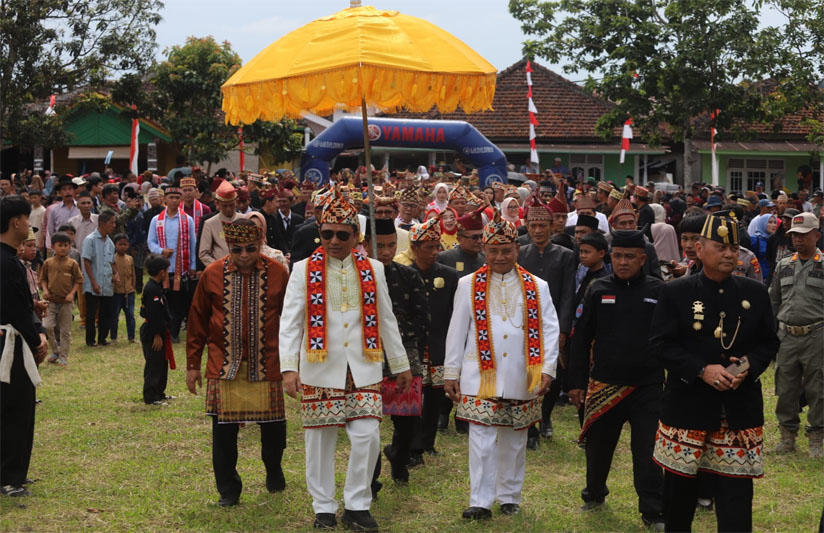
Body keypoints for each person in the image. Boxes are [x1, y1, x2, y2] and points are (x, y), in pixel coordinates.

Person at [278, 186, 411, 531]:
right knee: (320, 440)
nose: (334, 240)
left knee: (368, 436)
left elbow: (387, 319)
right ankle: (323, 507)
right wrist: (288, 367)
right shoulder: (302, 269)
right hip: (320, 367)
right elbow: (290, 322)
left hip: (364, 366)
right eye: (327, 234)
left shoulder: (374, 269)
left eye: (341, 234)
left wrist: (400, 364)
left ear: (356, 236)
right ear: (319, 233)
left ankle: (357, 505)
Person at [650, 212, 780, 532]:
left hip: (737, 410)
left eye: (734, 248)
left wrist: (745, 366)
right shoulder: (675, 292)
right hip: (687, 408)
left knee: (736, 501)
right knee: (678, 501)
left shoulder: (755, 292)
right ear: (699, 248)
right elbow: (660, 344)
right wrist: (700, 369)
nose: (729, 254)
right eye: (720, 247)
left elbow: (768, 342)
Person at [444, 210, 559, 520]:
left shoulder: (538, 286)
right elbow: (456, 331)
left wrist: (547, 369)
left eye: (506, 250)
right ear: (484, 249)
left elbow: (550, 329)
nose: (499, 257)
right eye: (493, 251)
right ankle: (480, 501)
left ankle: (509, 496)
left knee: (514, 438)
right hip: (479, 374)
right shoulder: (467, 284)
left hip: (522, 373)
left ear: (517, 249)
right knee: (481, 439)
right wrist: (451, 372)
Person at [186, 219, 290, 507]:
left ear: (260, 244)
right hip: (225, 364)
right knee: (223, 434)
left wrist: (293, 363)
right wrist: (193, 365)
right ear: (228, 246)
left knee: (274, 429)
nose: (244, 255)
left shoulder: (278, 273)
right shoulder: (212, 273)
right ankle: (228, 490)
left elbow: (291, 320)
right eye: (237, 249)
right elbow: (197, 320)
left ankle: (273, 470)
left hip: (267, 362)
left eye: (251, 248)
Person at [568, 229, 665, 531]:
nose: (623, 262)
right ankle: (594, 494)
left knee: (648, 451)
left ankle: (653, 510)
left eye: (630, 257)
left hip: (647, 386)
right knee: (598, 447)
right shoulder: (598, 289)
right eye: (618, 256)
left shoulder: (659, 290)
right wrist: (575, 382)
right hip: (605, 384)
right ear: (611, 257)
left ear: (642, 259)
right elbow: (581, 338)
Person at [363, 218, 429, 490]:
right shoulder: (358, 276)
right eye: (380, 246)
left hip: (405, 352)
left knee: (408, 420)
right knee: (367, 422)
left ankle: (399, 458)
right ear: (366, 244)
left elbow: (422, 319)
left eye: (391, 245)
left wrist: (397, 339)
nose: (387, 252)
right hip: (366, 354)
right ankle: (371, 477)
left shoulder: (409, 276)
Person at [517, 194, 576, 445]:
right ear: (527, 226)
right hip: (523, 324)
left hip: (553, 324)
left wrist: (563, 329)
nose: (538, 230)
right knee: (526, 373)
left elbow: (568, 294)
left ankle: (545, 416)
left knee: (554, 374)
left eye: (543, 225)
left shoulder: (565, 255)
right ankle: (529, 426)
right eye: (533, 226)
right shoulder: (520, 253)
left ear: (552, 226)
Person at [0, 196, 48, 497]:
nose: (29, 226)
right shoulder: (9, 263)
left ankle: (12, 470)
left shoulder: (9, 261)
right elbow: (15, 309)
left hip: (10, 339)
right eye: (27, 220)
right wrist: (36, 338)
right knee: (16, 409)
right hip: (11, 342)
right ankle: (9, 477)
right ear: (16, 221)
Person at [768, 212, 823, 457]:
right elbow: (774, 300)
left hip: (816, 335)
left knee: (818, 388)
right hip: (787, 336)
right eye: (794, 235)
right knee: (786, 387)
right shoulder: (784, 264)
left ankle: (817, 438)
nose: (798, 240)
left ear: (816, 235)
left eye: (803, 235)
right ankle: (787, 437)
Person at [407, 215, 459, 466]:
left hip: (440, 344)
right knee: (413, 396)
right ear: (415, 248)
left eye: (438, 246)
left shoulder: (449, 276)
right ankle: (412, 444)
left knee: (435, 396)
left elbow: (454, 312)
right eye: (429, 247)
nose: (436, 252)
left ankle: (428, 441)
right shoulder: (405, 274)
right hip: (414, 347)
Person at [147, 187, 196, 343]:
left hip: (181, 269)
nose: (174, 200)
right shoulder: (156, 220)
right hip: (163, 269)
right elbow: (150, 242)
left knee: (179, 303)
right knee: (163, 301)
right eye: (171, 197)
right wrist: (161, 251)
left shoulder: (187, 220)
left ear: (180, 200)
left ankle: (174, 333)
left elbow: (193, 244)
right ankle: (165, 329)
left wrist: (193, 265)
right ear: (165, 200)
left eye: (177, 197)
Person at [39, 232, 83, 366]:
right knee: (47, 326)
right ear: (53, 246)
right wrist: (45, 290)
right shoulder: (48, 263)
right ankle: (55, 351)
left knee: (65, 331)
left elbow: (79, 280)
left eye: (66, 245)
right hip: (51, 301)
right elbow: (43, 279)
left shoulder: (72, 263)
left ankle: (63, 356)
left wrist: (72, 294)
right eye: (60, 245)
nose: (63, 248)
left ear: (70, 246)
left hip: (66, 302)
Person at [139, 255, 174, 405]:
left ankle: (160, 392)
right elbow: (152, 314)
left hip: (160, 330)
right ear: (161, 272)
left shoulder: (157, 287)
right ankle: (151, 396)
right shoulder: (152, 289)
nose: (167, 272)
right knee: (154, 364)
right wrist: (157, 335)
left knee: (162, 363)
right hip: (153, 332)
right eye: (166, 270)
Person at [81, 210, 118, 348]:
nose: (114, 225)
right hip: (93, 283)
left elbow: (111, 261)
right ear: (102, 223)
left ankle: (103, 338)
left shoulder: (110, 242)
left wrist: (116, 273)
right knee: (91, 313)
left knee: (106, 313)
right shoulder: (90, 240)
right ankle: (90, 340)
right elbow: (86, 261)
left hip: (107, 283)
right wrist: (93, 282)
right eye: (111, 223)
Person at [198, 181, 241, 267]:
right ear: (217, 204)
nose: (228, 209)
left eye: (231, 205)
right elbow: (203, 253)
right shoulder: (210, 223)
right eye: (224, 206)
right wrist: (219, 267)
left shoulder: (245, 219)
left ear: (236, 202)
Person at [437, 206, 486, 277]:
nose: (479, 241)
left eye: (481, 236)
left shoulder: (486, 259)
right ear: (460, 239)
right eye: (474, 237)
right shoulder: (444, 259)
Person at [111, 234, 136, 343]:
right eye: (120, 244)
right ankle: (113, 337)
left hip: (129, 292)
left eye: (125, 244)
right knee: (114, 315)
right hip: (116, 292)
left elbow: (133, 275)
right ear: (115, 245)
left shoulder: (130, 259)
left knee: (130, 315)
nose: (122, 247)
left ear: (128, 245)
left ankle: (132, 337)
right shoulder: (112, 259)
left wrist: (133, 288)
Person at [44, 176, 80, 253]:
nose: (68, 192)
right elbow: (51, 231)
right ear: (59, 192)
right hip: (61, 249)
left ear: (74, 191)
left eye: (70, 189)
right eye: (64, 189)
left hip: (78, 247)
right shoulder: (54, 210)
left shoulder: (80, 208)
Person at [750, 213, 777, 281]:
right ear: (763, 223)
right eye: (770, 222)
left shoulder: (775, 240)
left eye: (775, 222)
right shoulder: (755, 240)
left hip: (772, 277)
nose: (773, 225)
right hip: (757, 277)